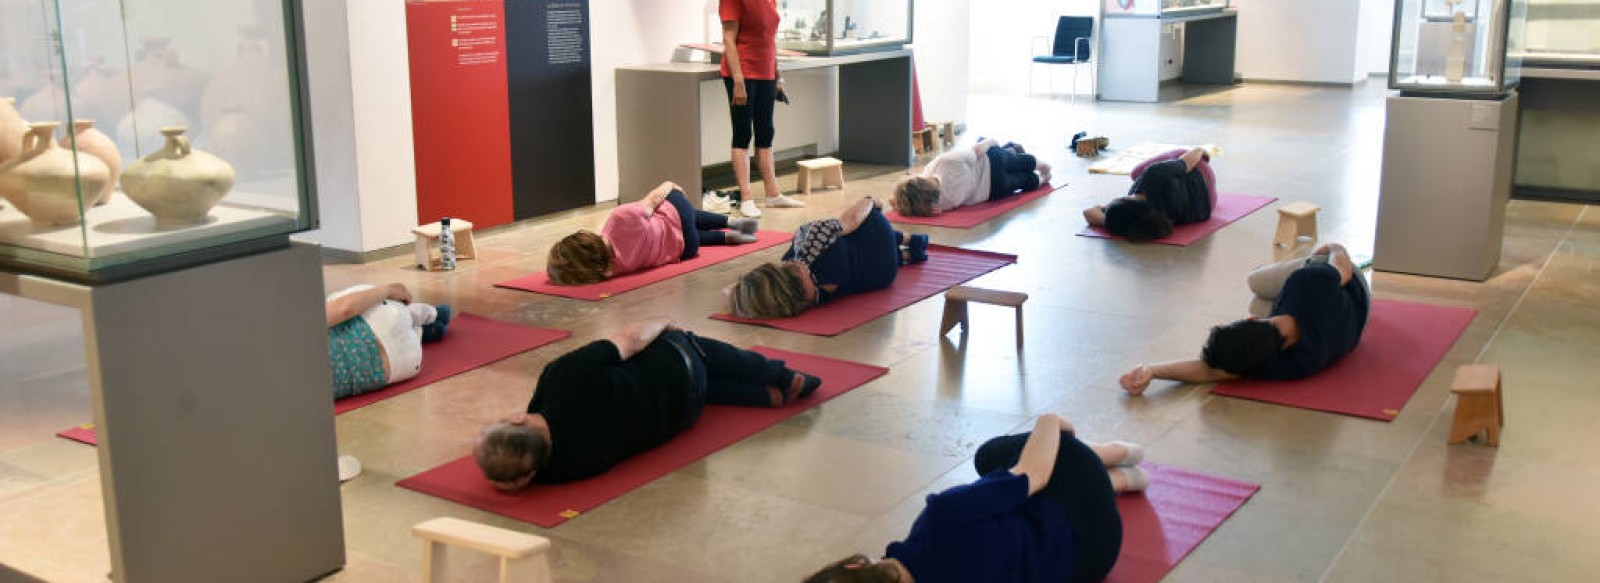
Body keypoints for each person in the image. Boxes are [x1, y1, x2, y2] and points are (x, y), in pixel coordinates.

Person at [473, 317, 822, 490]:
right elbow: (630, 339)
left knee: (683, 386)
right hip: (683, 366)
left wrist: (506, 474)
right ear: (518, 419)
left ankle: (762, 396)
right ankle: (778, 375)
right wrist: (663, 322)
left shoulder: (568, 468)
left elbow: (520, 477)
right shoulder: (563, 377)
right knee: (688, 344)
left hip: (683, 414)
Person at [804, 414, 1148, 583]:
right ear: (853, 565)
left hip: (1089, 569)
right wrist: (1052, 423)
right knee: (991, 457)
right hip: (1091, 529)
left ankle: (1117, 480)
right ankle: (1115, 454)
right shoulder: (945, 517)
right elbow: (1035, 472)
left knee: (1006, 509)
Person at [1120, 243, 1370, 395]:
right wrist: (1336, 247)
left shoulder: (1290, 364)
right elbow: (1343, 271)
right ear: (1251, 320)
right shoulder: (1304, 285)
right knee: (1257, 289)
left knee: (1258, 291)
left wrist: (1153, 371)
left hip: (1352, 312)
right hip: (1349, 292)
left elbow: (1209, 372)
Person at [727, 197, 928, 319]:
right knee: (861, 232)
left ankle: (907, 255)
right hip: (879, 237)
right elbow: (850, 221)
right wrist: (871, 201)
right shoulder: (808, 245)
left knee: (862, 255)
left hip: (883, 275)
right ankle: (908, 240)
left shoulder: (808, 298)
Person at [546, 180, 759, 285]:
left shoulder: (612, 270)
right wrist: (670, 185)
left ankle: (728, 237)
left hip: (685, 250)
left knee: (681, 234)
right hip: (681, 223)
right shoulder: (619, 218)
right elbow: (655, 198)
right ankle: (732, 222)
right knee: (674, 206)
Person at [719, 0, 805, 218]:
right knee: (743, 134)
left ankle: (773, 194)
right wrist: (738, 80)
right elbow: (729, 39)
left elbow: (770, 39)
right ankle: (746, 197)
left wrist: (777, 74)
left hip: (765, 71)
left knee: (766, 132)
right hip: (743, 72)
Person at [325, 283, 451, 399]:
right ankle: (431, 313)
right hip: (392, 319)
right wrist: (389, 290)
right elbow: (345, 309)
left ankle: (422, 332)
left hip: (404, 366)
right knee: (334, 305)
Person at [1083, 147, 1217, 242]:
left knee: (1141, 174)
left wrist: (1111, 223)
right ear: (1129, 198)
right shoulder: (1154, 176)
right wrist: (1200, 150)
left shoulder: (1152, 221)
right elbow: (1187, 161)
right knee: (1136, 172)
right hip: (1202, 172)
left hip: (1209, 205)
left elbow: (1088, 212)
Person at [890, 139, 1053, 217]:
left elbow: (904, 203)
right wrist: (988, 142)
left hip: (993, 189)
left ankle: (1042, 179)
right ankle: (1041, 166)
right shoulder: (942, 163)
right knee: (1020, 161)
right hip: (992, 162)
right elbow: (976, 151)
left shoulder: (942, 204)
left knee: (1023, 182)